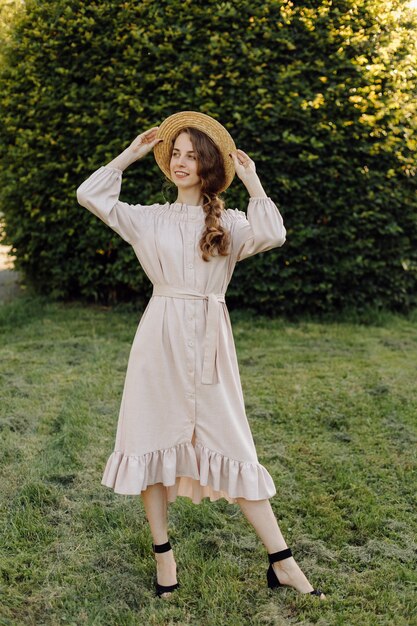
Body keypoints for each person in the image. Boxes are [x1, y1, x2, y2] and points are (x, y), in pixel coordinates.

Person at [76, 111, 325, 600]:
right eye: (176, 154)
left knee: (235, 446)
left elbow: (272, 233)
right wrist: (131, 153)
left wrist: (253, 182)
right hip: (159, 340)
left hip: (211, 341)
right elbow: (91, 195)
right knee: (151, 439)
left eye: (192, 155)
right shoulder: (147, 218)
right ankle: (163, 559)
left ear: (209, 166)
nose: (181, 161)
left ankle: (283, 562)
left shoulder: (229, 223)